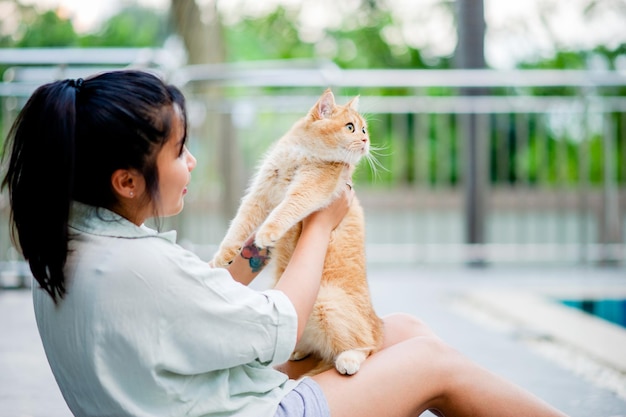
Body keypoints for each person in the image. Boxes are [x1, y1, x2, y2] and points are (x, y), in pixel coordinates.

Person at [1, 69, 568, 417]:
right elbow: (283, 325)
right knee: (431, 362)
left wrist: (265, 235)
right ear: (125, 181)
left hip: (196, 398)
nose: (191, 163)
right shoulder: (140, 266)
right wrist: (319, 224)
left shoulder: (73, 249)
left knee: (405, 332)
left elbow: (214, 294)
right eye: (179, 152)